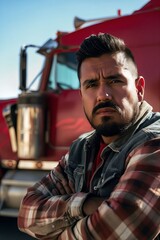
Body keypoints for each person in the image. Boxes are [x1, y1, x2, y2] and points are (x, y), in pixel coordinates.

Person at [18, 33, 160, 240]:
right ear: (82, 95)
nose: (103, 94)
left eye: (115, 80)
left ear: (139, 89)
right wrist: (85, 204)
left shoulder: (153, 142)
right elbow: (26, 214)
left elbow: (117, 229)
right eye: (91, 84)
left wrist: (57, 227)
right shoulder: (81, 148)